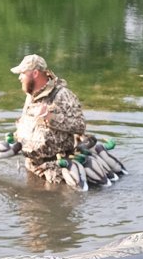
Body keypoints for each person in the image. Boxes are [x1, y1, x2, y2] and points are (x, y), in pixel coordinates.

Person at [11, 53, 87, 183]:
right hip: (31, 167)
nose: (20, 77)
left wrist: (50, 117)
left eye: (23, 73)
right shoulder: (31, 96)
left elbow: (80, 126)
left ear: (35, 73)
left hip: (55, 172)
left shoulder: (62, 95)